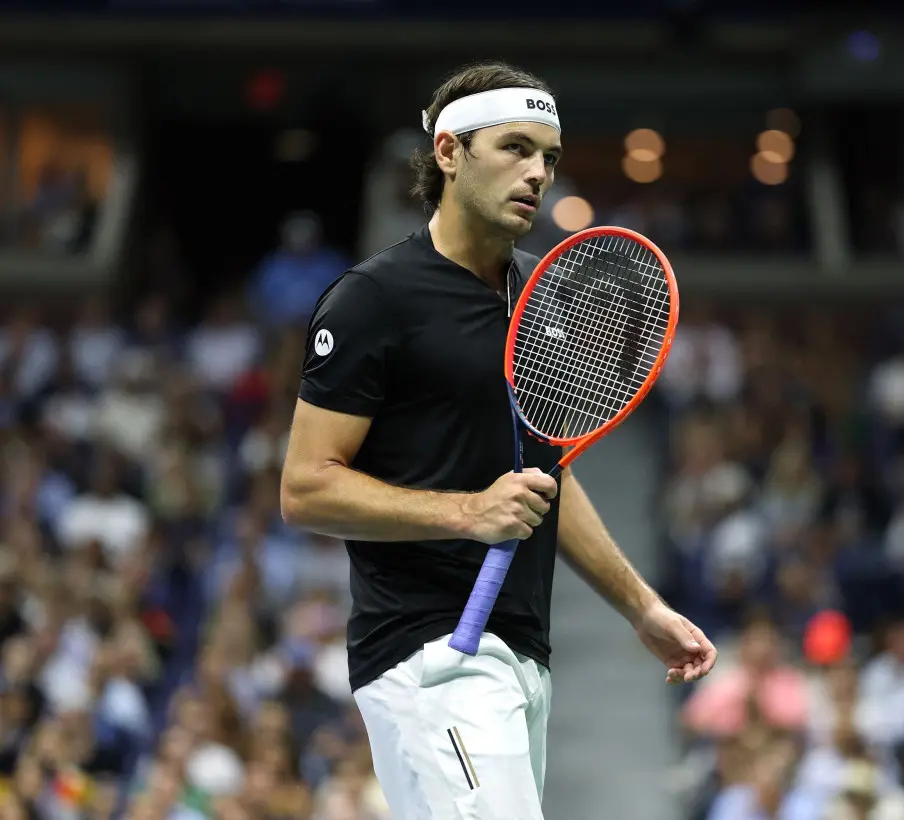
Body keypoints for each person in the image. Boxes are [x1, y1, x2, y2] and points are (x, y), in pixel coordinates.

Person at [279, 60, 718, 820]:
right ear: (448, 152)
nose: (538, 172)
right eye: (514, 148)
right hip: (429, 656)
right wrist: (464, 513)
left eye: (548, 156)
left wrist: (641, 607)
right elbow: (305, 487)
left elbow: (547, 476)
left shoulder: (539, 292)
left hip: (521, 658)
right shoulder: (372, 301)